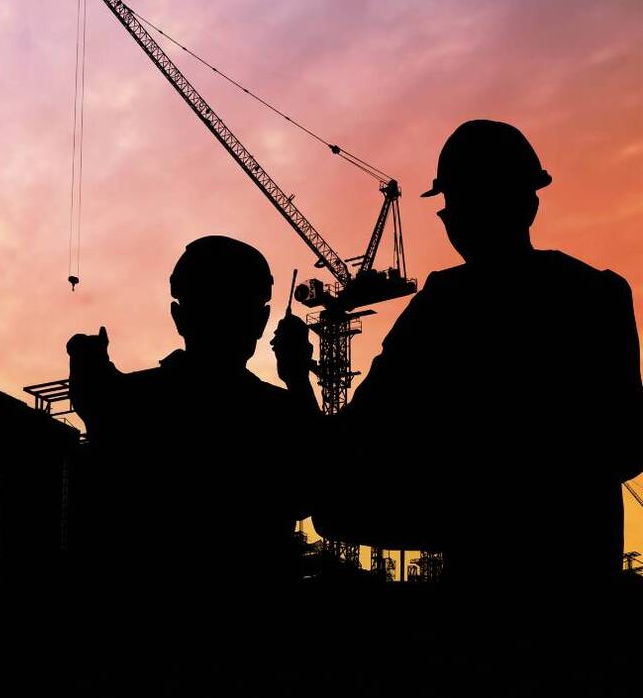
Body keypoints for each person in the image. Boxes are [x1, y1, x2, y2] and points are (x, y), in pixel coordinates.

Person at [273, 119, 643, 586]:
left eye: (450, 205)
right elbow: (629, 446)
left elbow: (346, 445)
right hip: (585, 588)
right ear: (530, 201)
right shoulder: (600, 294)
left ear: (461, 213)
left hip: (483, 586)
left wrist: (296, 379)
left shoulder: (444, 305)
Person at [67, 235, 311, 596]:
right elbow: (313, 491)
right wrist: (297, 379)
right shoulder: (278, 413)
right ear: (260, 322)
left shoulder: (132, 401)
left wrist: (91, 371)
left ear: (179, 317)